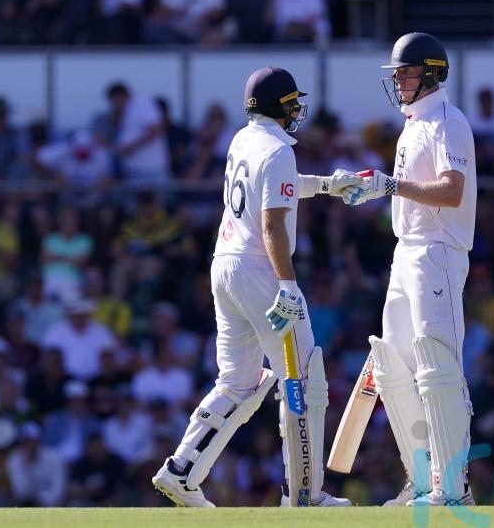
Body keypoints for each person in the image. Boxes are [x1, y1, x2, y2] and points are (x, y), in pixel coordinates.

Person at [151, 66, 358, 507]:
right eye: (292, 103)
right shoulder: (279, 150)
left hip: (224, 266)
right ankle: (305, 495)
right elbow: (272, 223)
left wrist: (326, 186)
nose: (297, 110)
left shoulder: (243, 139)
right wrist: (287, 284)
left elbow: (273, 191)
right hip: (261, 273)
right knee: (302, 379)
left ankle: (181, 469)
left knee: (239, 381)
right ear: (279, 106)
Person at [340, 32, 477, 506]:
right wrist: (370, 191)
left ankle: (452, 486)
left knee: (437, 365)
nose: (399, 81)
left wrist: (391, 186)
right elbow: (405, 193)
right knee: (394, 365)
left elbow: (451, 191)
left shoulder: (447, 121)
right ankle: (421, 480)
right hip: (407, 251)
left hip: (438, 250)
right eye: (396, 74)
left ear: (433, 73)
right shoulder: (413, 123)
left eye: (407, 72)